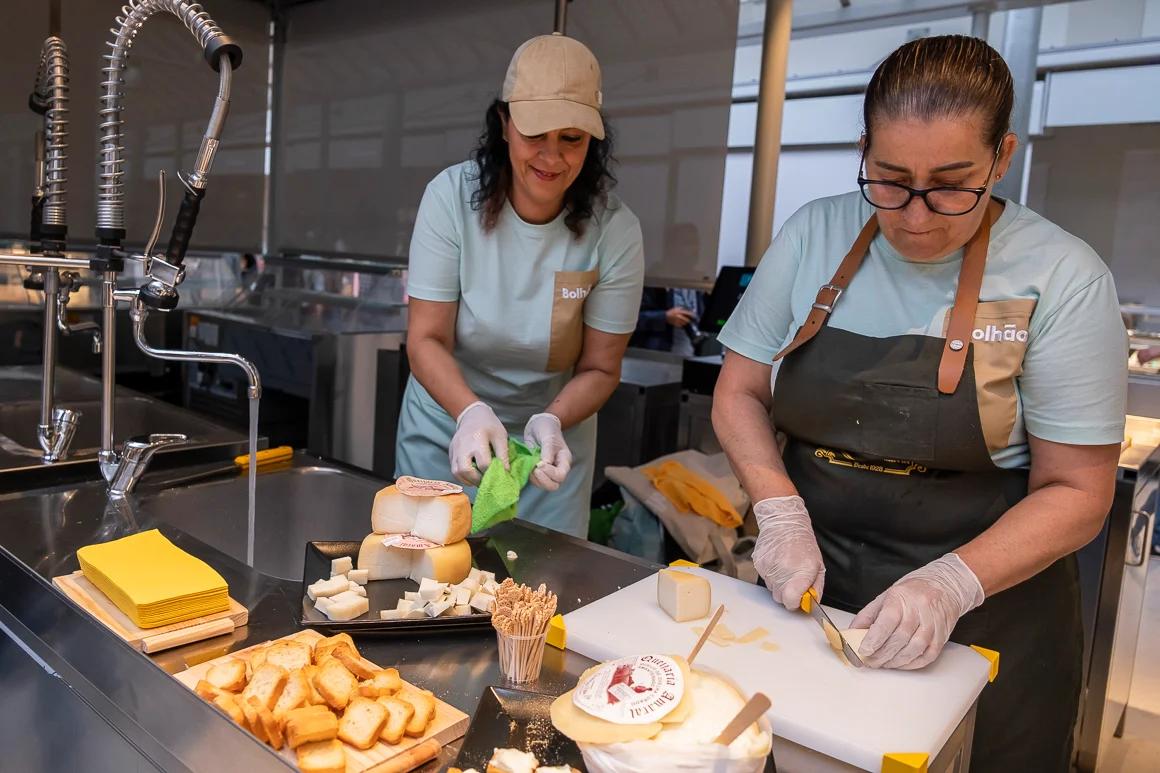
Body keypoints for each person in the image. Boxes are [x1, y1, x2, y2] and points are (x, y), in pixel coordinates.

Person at [712, 35, 1125, 771]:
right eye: (891, 178)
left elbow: (1080, 492)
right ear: (864, 149)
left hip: (990, 618)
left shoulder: (1063, 275)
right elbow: (739, 392)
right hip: (815, 592)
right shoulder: (815, 233)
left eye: (951, 183)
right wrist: (778, 508)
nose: (916, 215)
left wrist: (949, 583)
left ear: (1002, 157)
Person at [395, 33, 645, 538]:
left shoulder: (615, 231)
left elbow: (600, 366)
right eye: (535, 133)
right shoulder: (450, 200)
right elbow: (426, 339)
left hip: (547, 451)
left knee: (537, 596)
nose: (551, 157)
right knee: (427, 588)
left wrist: (550, 421)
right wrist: (470, 411)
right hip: (448, 427)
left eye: (571, 138)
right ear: (504, 124)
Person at [630, 287, 705, 355]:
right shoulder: (654, 282)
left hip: (687, 354)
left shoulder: (696, 286)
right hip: (655, 356)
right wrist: (664, 317)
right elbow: (629, 320)